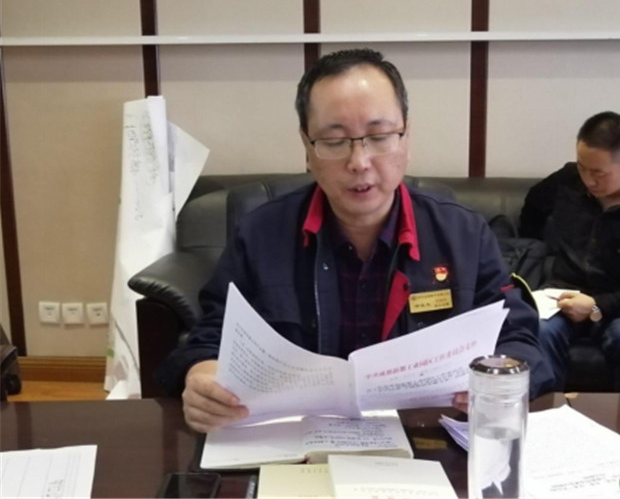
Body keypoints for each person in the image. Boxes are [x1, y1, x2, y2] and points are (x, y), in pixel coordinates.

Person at [158, 49, 553, 432]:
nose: (359, 162)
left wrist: (505, 380)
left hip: (425, 441)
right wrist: (201, 375)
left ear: (406, 138)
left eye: (379, 136)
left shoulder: (463, 235)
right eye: (334, 141)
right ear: (307, 148)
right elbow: (212, 335)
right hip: (296, 444)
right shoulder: (261, 234)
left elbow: (518, 337)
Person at [519, 111, 620, 392]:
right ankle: (548, 414)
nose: (588, 180)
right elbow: (534, 205)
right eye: (582, 167)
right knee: (537, 329)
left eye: (598, 173)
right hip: (562, 293)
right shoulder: (568, 180)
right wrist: (537, 247)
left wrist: (597, 306)